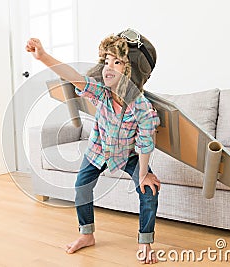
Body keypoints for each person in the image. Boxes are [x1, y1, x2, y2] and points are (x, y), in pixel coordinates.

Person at [26, 28, 161, 264]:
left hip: (126, 154)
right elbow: (74, 76)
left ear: (131, 70)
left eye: (117, 62)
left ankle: (145, 241)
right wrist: (43, 56)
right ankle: (86, 235)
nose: (109, 66)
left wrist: (142, 175)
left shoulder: (144, 110)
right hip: (98, 150)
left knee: (148, 190)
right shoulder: (103, 92)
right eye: (107, 60)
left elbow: (146, 144)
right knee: (82, 186)